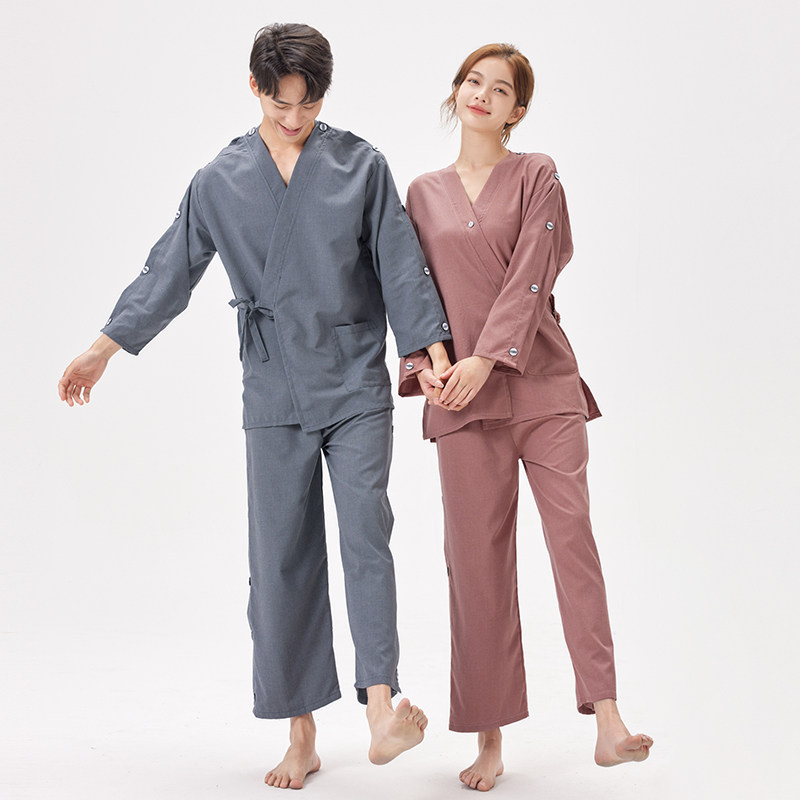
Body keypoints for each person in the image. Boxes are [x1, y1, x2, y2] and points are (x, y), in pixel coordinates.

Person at [58, 22, 452, 790]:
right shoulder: (220, 179)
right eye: (280, 104)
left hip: (354, 380)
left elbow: (400, 261)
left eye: (309, 104)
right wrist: (104, 348)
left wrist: (428, 348)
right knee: (280, 561)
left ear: (324, 96)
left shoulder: (361, 165)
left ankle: (381, 707)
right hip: (272, 385)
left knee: (366, 533)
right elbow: (170, 268)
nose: (294, 118)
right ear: (255, 89)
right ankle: (302, 734)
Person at [398, 43, 653, 791]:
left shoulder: (538, 174)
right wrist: (427, 365)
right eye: (472, 81)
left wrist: (487, 357)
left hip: (541, 386)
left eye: (500, 88)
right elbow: (411, 291)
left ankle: (607, 719)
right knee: (475, 567)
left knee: (572, 540)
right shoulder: (422, 194)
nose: (482, 94)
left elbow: (533, 275)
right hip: (460, 400)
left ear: (518, 109)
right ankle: (488, 740)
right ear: (457, 91)